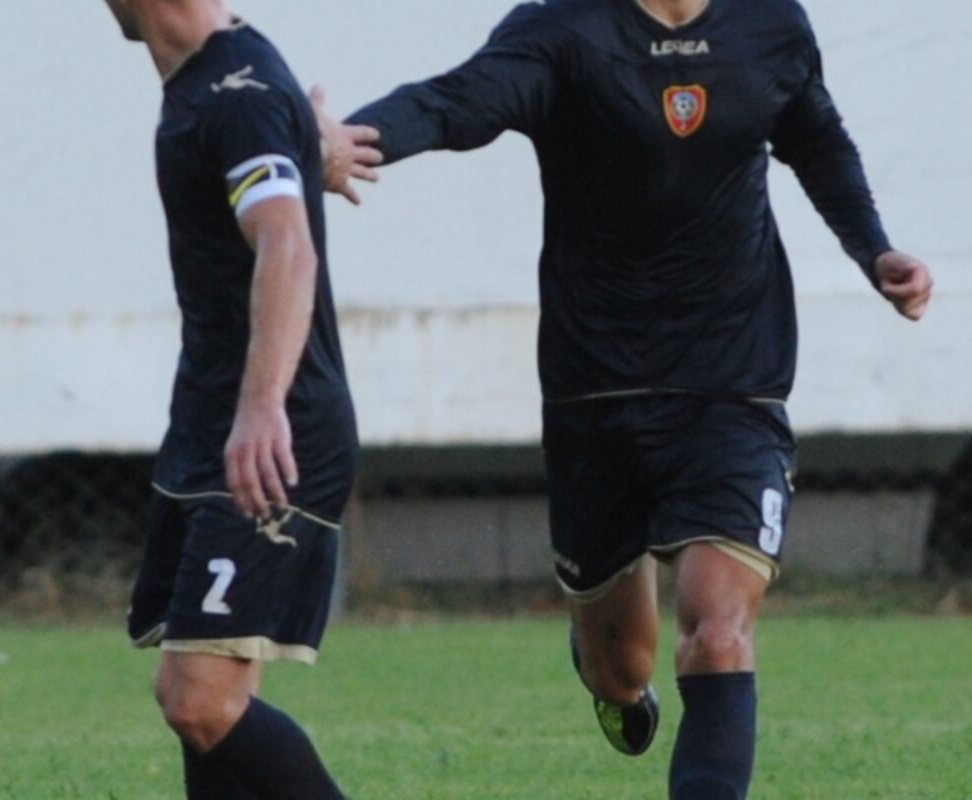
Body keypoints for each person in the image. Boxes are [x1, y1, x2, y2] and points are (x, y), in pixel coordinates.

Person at [317, 0, 934, 797]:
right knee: (622, 668)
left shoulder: (770, 24)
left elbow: (816, 139)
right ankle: (603, 666)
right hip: (595, 392)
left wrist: (875, 250)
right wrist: (341, 141)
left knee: (717, 634)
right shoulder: (563, 30)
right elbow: (450, 104)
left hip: (731, 383)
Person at [100, 1, 374, 797]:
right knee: (211, 700)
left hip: (274, 427)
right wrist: (310, 143)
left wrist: (262, 407)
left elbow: (287, 243)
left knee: (197, 699)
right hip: (210, 423)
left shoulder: (234, 94)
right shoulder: (225, 76)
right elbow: (271, 155)